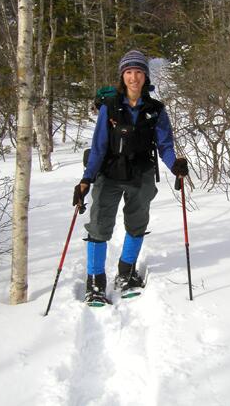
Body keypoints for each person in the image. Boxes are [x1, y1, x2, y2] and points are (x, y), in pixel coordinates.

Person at [73, 50, 188, 304]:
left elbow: (165, 146)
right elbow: (99, 145)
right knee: (100, 226)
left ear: (145, 76)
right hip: (109, 173)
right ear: (122, 76)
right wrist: (86, 179)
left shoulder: (156, 110)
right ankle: (95, 282)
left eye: (138, 72)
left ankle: (126, 273)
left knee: (137, 224)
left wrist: (175, 166)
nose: (133, 77)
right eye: (128, 72)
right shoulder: (110, 107)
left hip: (141, 174)